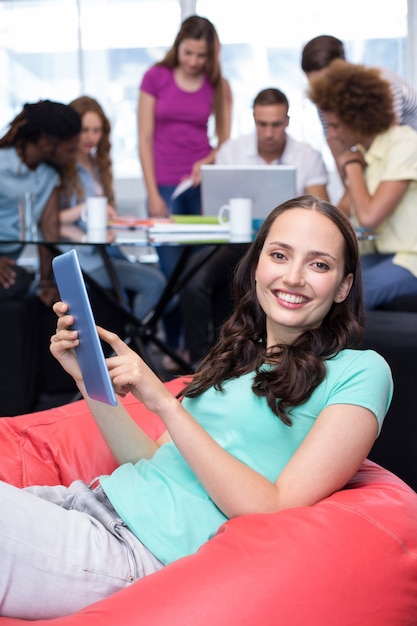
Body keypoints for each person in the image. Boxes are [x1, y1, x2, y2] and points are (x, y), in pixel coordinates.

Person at [1, 195, 393, 618]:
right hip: (90, 502)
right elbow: (153, 459)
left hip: (136, 550)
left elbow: (276, 509)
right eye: (279, 255)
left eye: (319, 265)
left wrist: (165, 405)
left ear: (343, 286)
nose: (293, 277)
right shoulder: (236, 356)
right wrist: (86, 377)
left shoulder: (360, 372)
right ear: (257, 265)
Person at [181, 87, 329, 368]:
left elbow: (321, 209)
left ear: (287, 120)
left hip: (288, 248)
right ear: (253, 120)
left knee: (245, 281)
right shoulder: (232, 151)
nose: (269, 132)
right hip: (234, 244)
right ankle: (201, 365)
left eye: (276, 124)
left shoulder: (307, 155)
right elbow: (213, 209)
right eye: (262, 124)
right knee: (194, 280)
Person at [138, 14, 232, 356]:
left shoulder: (218, 85)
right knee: (171, 277)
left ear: (212, 55)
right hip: (164, 186)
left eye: (201, 55)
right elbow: (144, 137)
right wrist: (151, 193)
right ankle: (171, 348)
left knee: (199, 274)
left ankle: (197, 354)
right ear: (177, 47)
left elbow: (225, 142)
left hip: (201, 186)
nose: (194, 61)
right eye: (188, 53)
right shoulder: (155, 77)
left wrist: (208, 160)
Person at [308, 59, 417, 309]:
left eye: (335, 126)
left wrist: (352, 166)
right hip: (381, 254)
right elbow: (342, 211)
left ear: (357, 118)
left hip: (411, 259)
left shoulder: (403, 144)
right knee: (323, 281)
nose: (331, 135)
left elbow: (369, 217)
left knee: (345, 295)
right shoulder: (369, 152)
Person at [59, 96, 166, 323]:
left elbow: (98, 216)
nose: (91, 137)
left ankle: (132, 340)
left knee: (167, 286)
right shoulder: (61, 168)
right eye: (85, 130)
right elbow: (54, 220)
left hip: (106, 252)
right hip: (84, 259)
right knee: (155, 283)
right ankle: (128, 343)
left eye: (97, 130)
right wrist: (86, 208)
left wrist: (117, 220)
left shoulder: (97, 165)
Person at [0, 100, 81, 306]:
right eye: (71, 149)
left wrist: (45, 282)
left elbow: (49, 226)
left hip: (10, 266)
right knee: (18, 281)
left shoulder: (49, 175)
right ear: (47, 144)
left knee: (30, 286)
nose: (74, 156)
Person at [301, 34, 417, 165]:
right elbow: (334, 142)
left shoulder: (379, 82)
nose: (323, 89)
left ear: (344, 65)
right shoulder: (323, 96)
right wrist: (347, 180)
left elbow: (387, 136)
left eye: (327, 81)